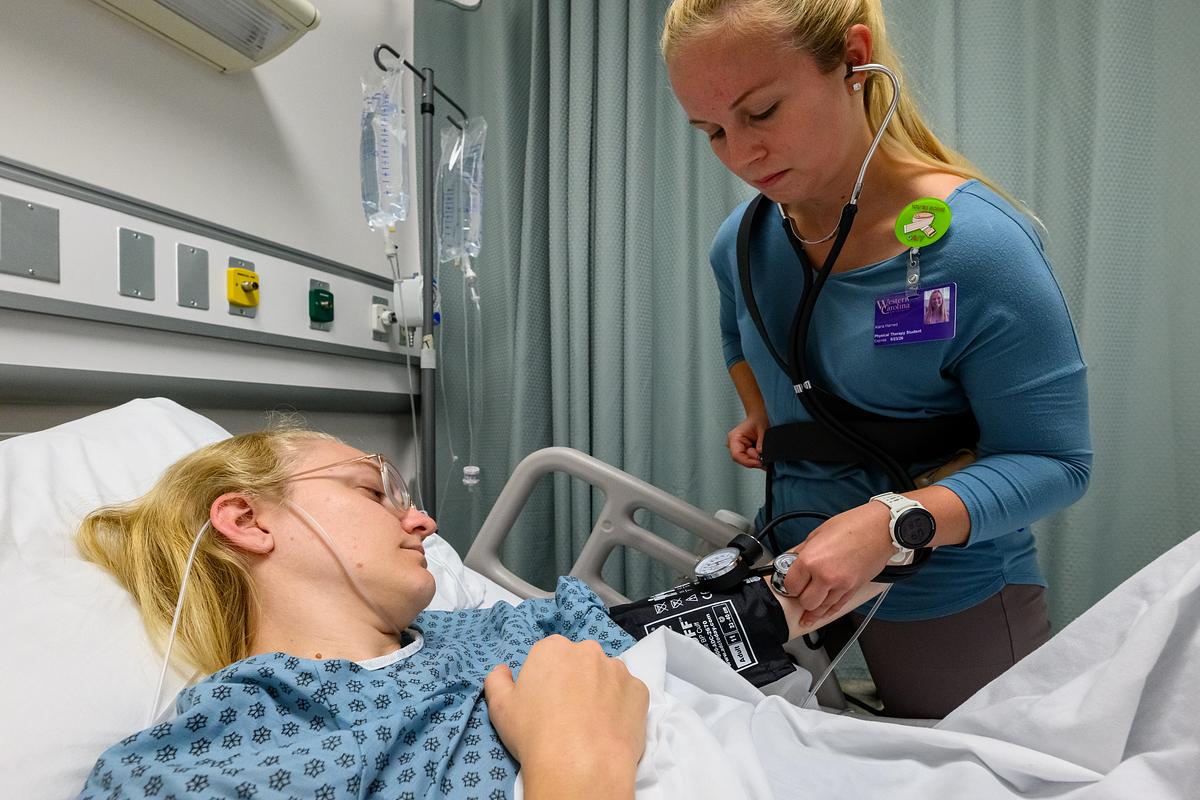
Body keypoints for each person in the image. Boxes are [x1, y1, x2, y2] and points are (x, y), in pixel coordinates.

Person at [662, 0, 1092, 717]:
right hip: (798, 585)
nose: (740, 154)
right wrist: (762, 408)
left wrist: (892, 521)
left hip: (946, 588)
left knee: (975, 773)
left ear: (855, 59)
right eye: (712, 131)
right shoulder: (740, 243)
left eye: (762, 111)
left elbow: (1057, 463)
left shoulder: (979, 250)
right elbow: (740, 334)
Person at [74, 430, 648, 800]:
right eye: (374, 493)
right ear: (247, 521)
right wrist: (574, 771)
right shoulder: (202, 761)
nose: (424, 522)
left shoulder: (509, 622)